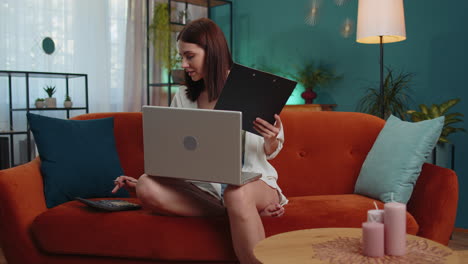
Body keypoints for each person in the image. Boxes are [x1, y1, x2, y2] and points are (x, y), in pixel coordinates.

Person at [112, 17, 287, 264]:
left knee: (236, 194)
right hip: (208, 191)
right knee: (145, 185)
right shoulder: (183, 96)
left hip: (255, 183)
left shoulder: (248, 88)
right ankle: (234, 212)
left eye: (189, 56)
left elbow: (270, 150)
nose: (184, 64)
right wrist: (159, 174)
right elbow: (174, 151)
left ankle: (239, 208)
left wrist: (271, 139)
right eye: (181, 57)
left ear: (212, 53)